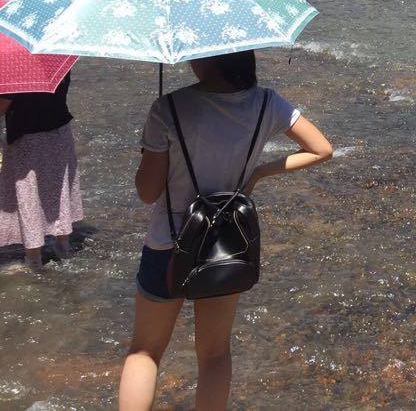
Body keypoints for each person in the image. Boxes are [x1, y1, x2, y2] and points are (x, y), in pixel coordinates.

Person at [117, 50, 333, 410]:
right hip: (225, 243)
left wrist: (150, 152)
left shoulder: (168, 108)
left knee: (145, 351)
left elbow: (147, 192)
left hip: (167, 243)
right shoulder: (268, 103)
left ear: (205, 58)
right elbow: (322, 149)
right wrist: (258, 172)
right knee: (215, 354)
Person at [0, 74, 83, 267]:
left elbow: (2, 106)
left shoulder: (16, 70)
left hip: (29, 138)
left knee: (29, 199)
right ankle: (63, 247)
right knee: (59, 190)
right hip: (60, 133)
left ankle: (33, 258)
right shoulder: (56, 61)